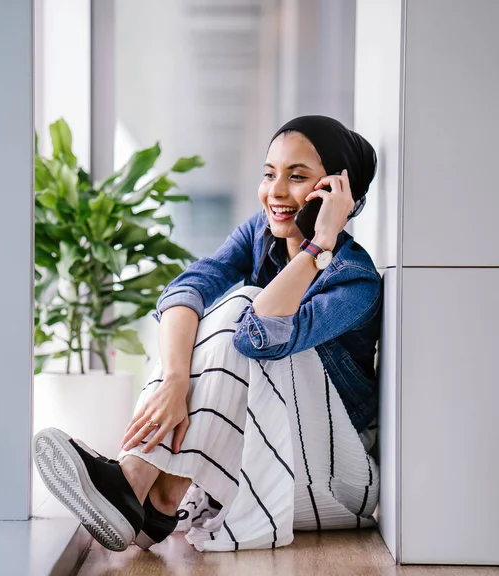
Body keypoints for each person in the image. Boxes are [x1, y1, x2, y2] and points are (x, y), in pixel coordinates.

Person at [34, 115, 382, 553]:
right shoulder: (261, 234)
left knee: (241, 307)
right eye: (269, 173)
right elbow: (184, 291)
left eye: (297, 177)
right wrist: (177, 380)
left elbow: (256, 336)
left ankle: (139, 488)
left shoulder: (355, 281)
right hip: (272, 449)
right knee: (201, 317)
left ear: (334, 193)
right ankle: (152, 497)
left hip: (334, 473)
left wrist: (319, 246)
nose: (275, 191)